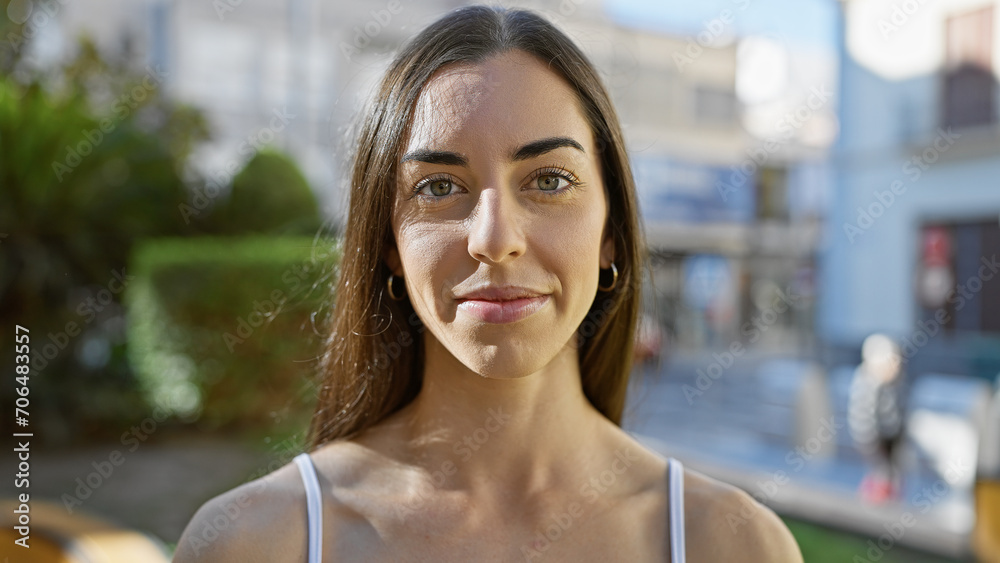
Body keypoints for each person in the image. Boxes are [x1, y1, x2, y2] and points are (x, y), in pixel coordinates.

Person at [172, 6, 803, 562]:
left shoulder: (734, 545)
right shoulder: (255, 542)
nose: (494, 237)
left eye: (550, 181)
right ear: (389, 244)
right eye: (440, 187)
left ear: (611, 230)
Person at [847, 333, 908, 503]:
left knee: (886, 473)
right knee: (882, 474)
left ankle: (884, 500)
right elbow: (867, 416)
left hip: (885, 438)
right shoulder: (871, 384)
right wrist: (872, 440)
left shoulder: (889, 385)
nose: (896, 366)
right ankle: (877, 503)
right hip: (877, 439)